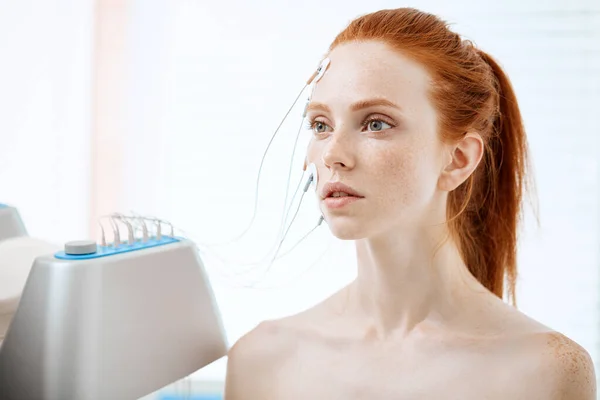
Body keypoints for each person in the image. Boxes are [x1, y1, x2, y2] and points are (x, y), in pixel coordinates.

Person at [224, 8, 596, 399]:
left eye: (376, 123)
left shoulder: (544, 373)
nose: (333, 154)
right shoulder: (261, 362)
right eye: (320, 125)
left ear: (458, 160)